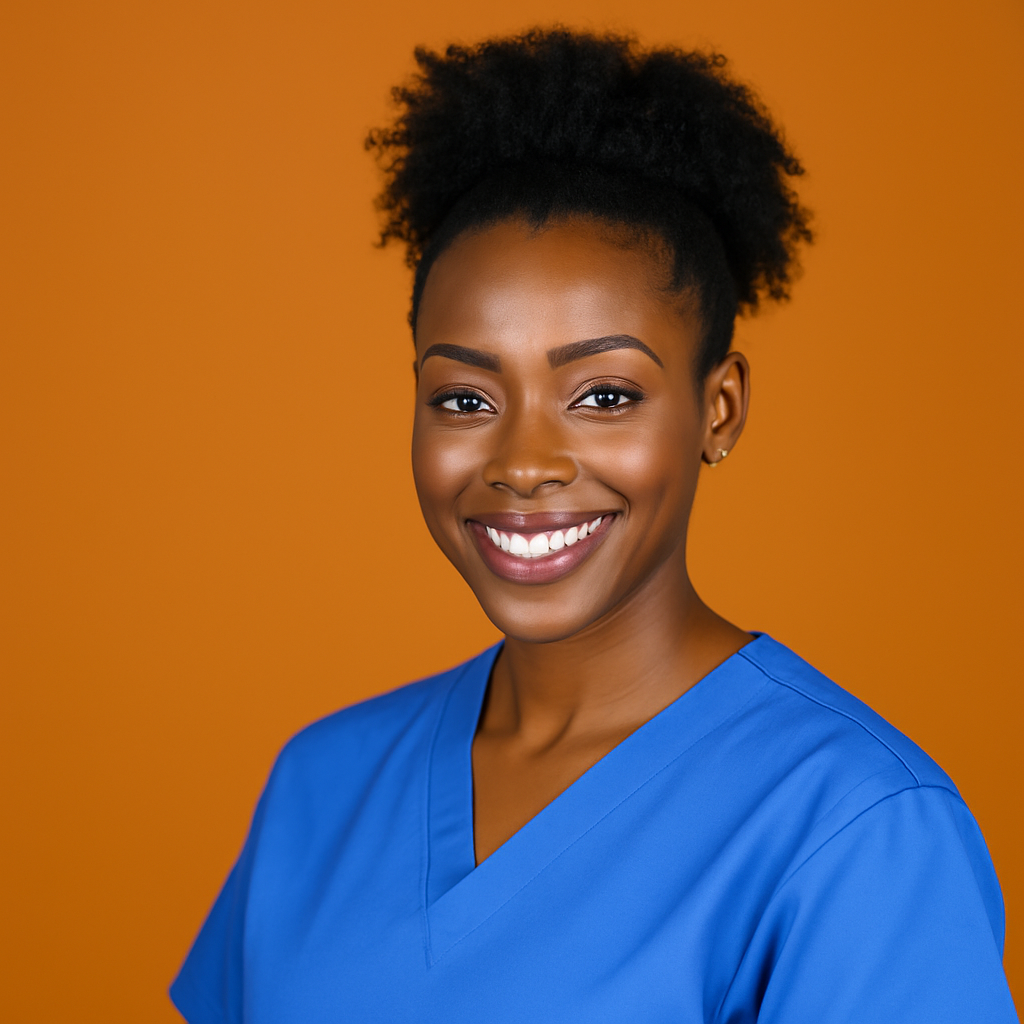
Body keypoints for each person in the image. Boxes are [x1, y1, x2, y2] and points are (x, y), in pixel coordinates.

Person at [170, 28, 1017, 1023]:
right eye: (464, 400)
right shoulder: (322, 785)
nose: (523, 462)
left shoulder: (855, 831)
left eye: (604, 395)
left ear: (719, 407)